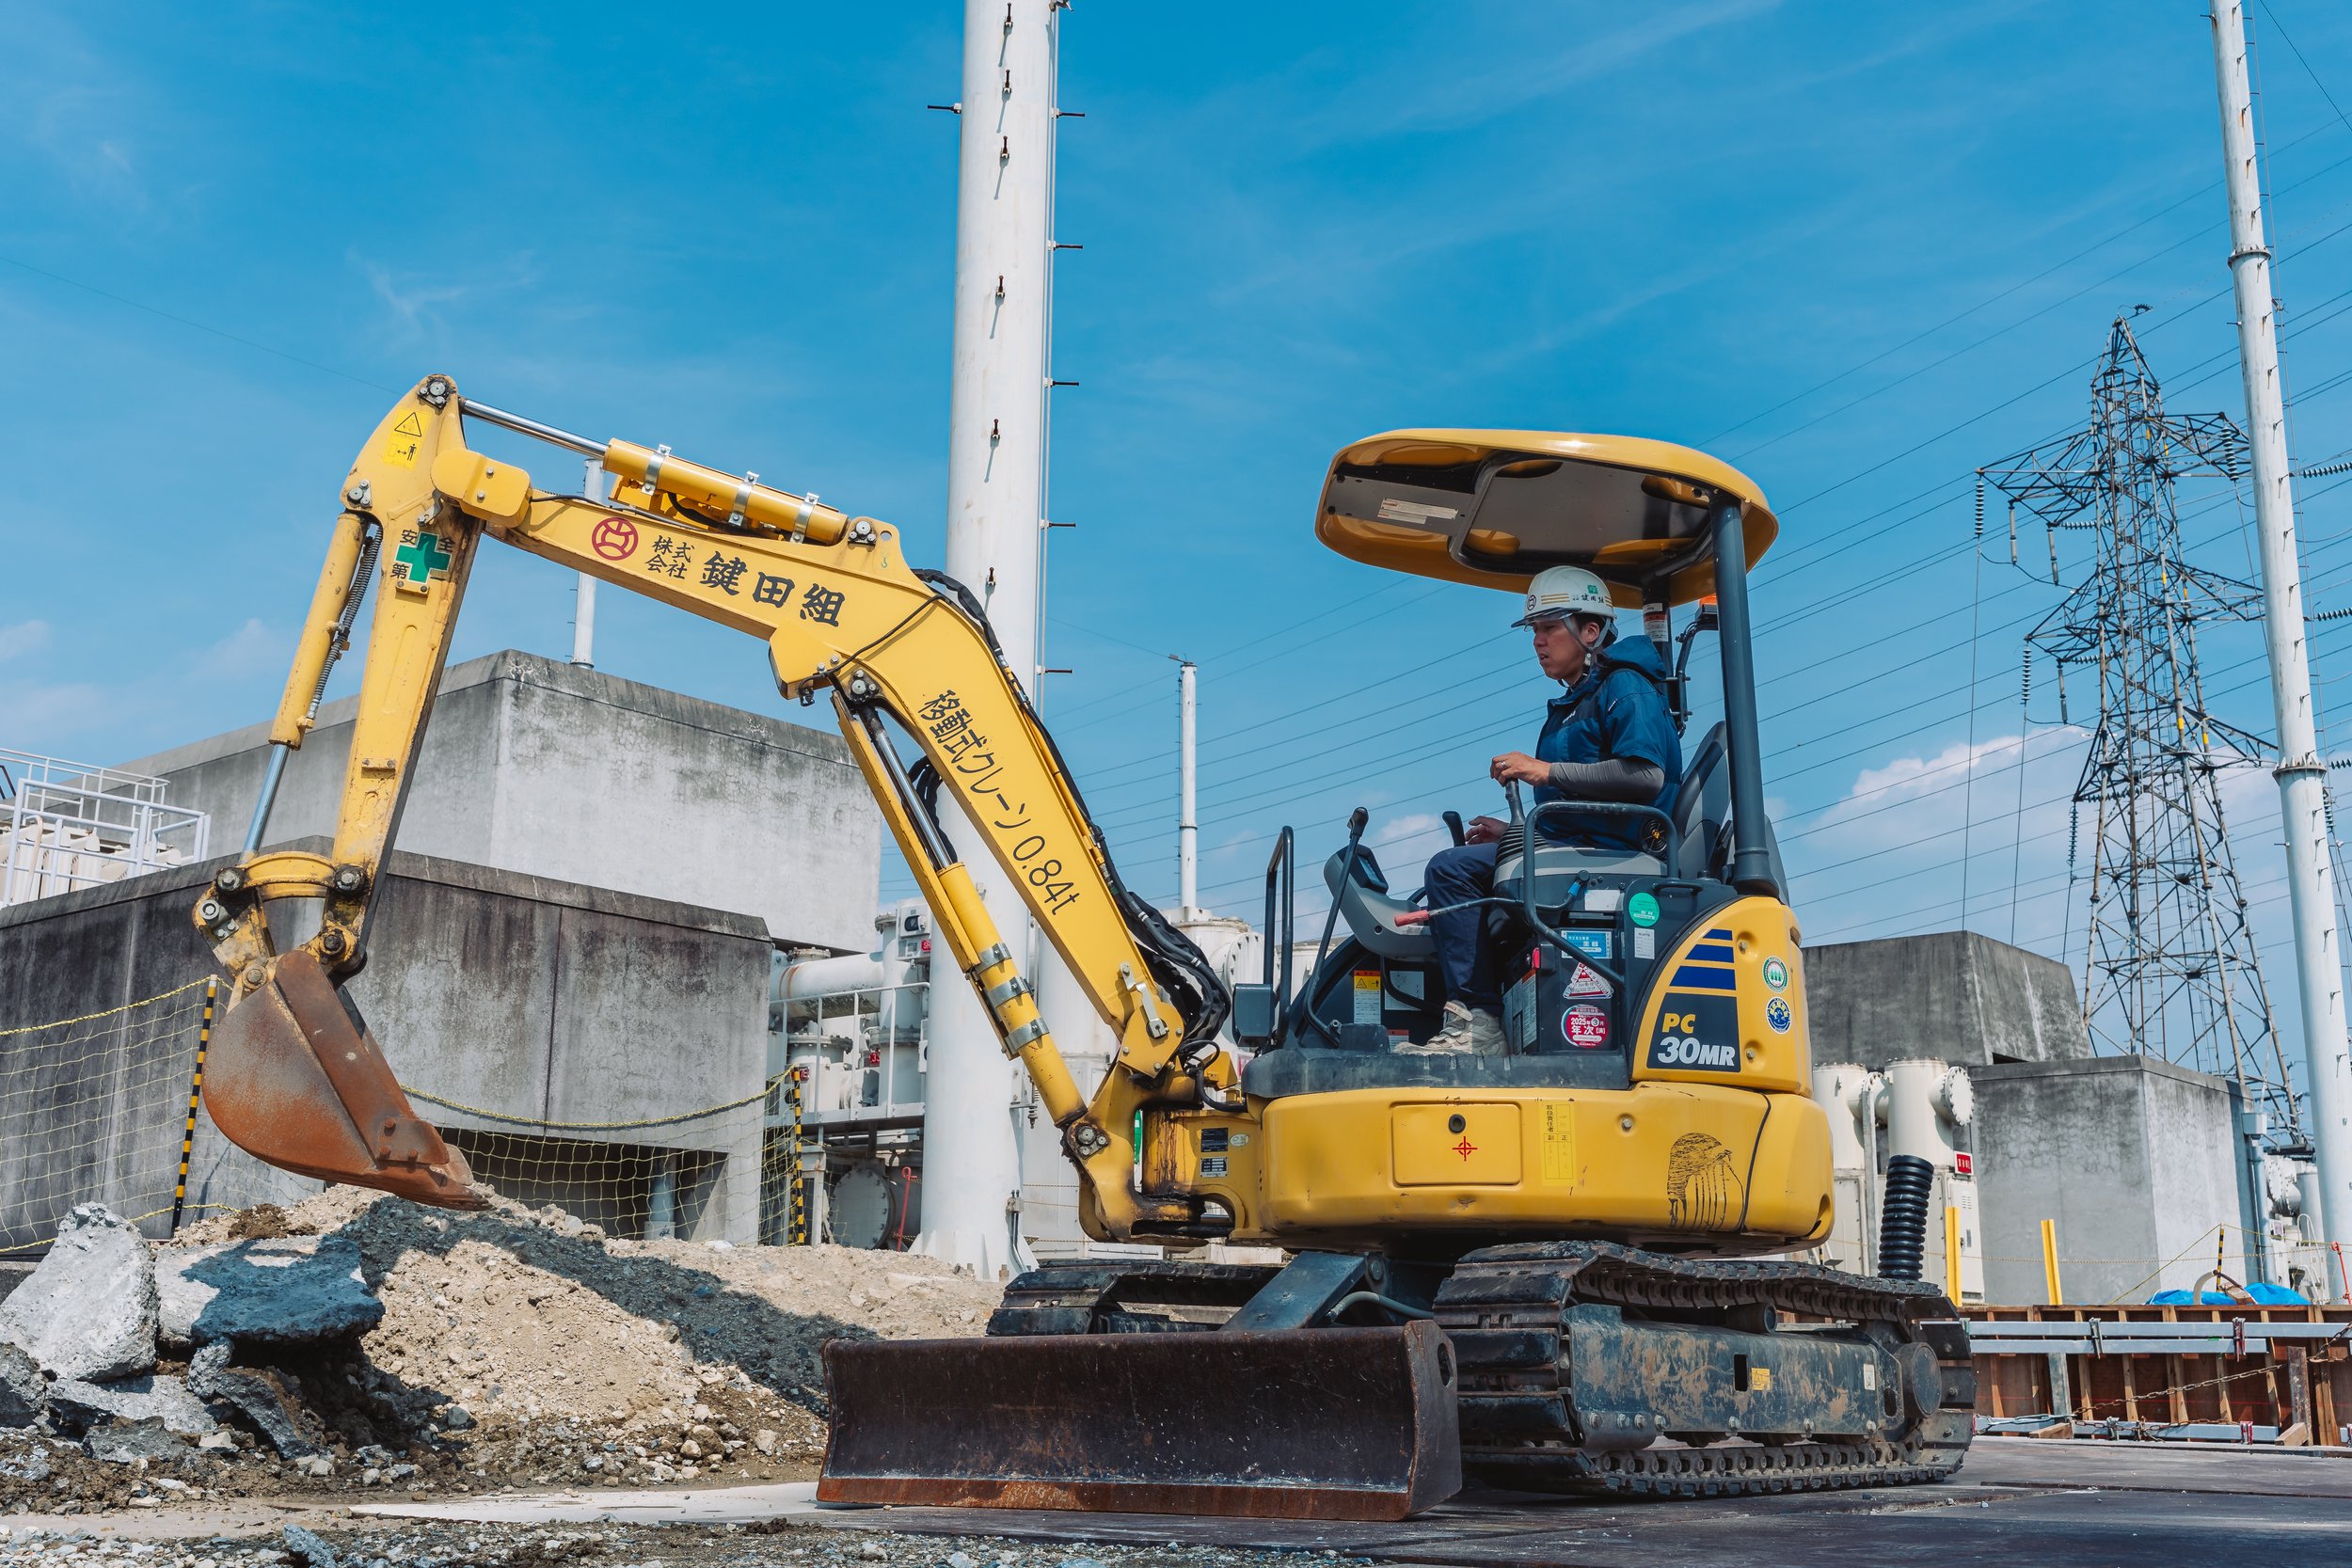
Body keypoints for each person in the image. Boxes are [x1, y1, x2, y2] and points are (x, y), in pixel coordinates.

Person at [1400, 565, 1682, 1055]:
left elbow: (1644, 777)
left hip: (1614, 852)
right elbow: (1580, 803)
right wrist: (1510, 833)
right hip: (1578, 842)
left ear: (1590, 630)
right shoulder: (1581, 698)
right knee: (1453, 877)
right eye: (1535, 631)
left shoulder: (1626, 687)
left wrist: (1542, 771)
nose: (1539, 641)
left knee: (1449, 873)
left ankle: (1478, 1027)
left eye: (1550, 628)